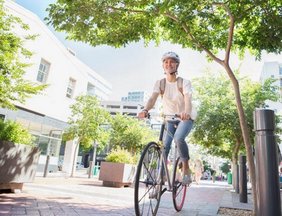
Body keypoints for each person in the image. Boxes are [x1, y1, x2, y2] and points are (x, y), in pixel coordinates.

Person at [138, 51, 196, 185]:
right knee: (165, 147)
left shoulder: (184, 82)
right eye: (166, 62)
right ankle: (160, 180)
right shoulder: (160, 83)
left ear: (177, 65)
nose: (168, 64)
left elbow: (188, 99)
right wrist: (145, 110)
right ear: (163, 65)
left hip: (185, 118)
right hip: (169, 118)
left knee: (179, 138)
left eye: (172, 62)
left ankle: (186, 167)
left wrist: (186, 112)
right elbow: (153, 98)